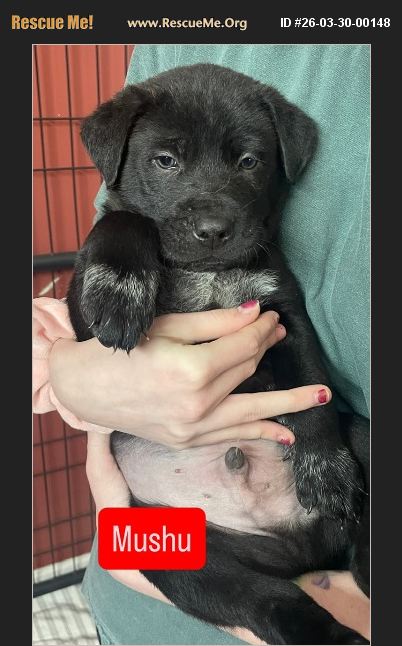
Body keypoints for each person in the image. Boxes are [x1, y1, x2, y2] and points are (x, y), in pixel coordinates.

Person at [33, 43, 370, 644]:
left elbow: (293, 342)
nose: (212, 215)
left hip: (319, 506)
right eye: (167, 161)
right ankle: (283, 617)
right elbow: (93, 321)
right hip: (171, 524)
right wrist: (68, 374)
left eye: (247, 162)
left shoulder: (262, 258)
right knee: (140, 547)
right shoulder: (168, 55)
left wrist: (320, 446)